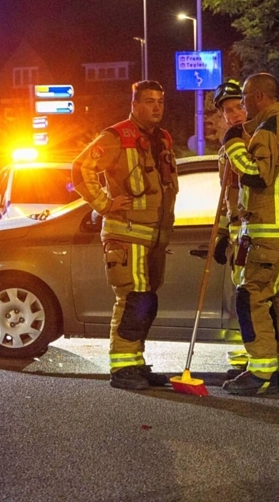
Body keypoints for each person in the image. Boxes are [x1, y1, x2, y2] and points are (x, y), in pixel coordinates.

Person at [72, 80, 179, 390]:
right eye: (149, 101)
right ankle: (122, 368)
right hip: (126, 234)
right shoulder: (116, 136)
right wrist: (105, 203)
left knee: (146, 301)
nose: (157, 106)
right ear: (134, 106)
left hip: (153, 237)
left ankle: (135, 362)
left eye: (160, 101)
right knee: (133, 299)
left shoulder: (163, 139)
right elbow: (80, 169)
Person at [220, 73, 279, 396]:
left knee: (251, 297)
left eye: (245, 98)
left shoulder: (267, 130)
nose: (243, 105)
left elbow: (257, 176)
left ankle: (260, 372)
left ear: (259, 96)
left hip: (268, 235)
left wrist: (232, 146)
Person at [209, 81, 252, 378]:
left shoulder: (258, 139)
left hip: (257, 232)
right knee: (243, 296)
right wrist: (224, 233)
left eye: (239, 107)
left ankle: (261, 359)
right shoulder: (228, 146)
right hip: (239, 233)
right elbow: (228, 196)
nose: (235, 114)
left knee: (252, 298)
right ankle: (250, 356)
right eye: (228, 111)